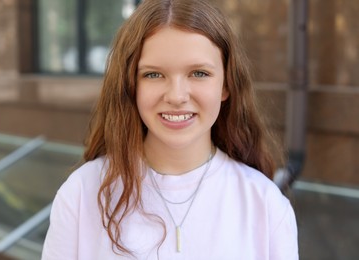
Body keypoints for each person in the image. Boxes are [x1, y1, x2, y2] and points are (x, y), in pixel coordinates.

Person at [42, 0, 298, 259]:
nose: (176, 96)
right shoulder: (82, 193)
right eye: (153, 75)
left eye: (198, 73)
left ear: (226, 85)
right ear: (130, 85)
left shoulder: (266, 205)